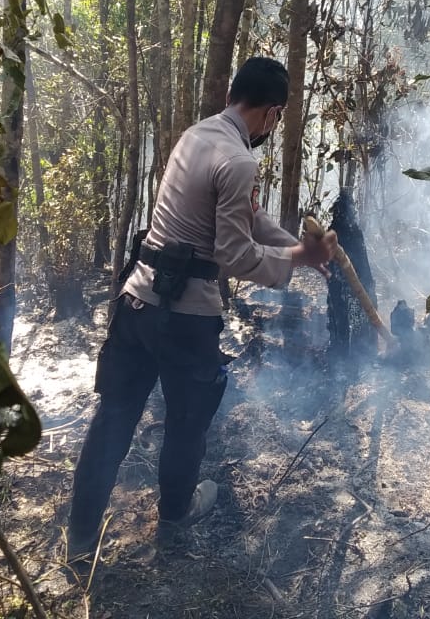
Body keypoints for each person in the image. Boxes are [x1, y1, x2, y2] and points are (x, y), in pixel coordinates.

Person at [64, 56, 336, 560]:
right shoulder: (239, 161)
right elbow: (235, 255)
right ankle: (175, 517)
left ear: (235, 94)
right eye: (277, 119)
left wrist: (299, 246)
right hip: (185, 318)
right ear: (272, 113)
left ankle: (79, 539)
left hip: (136, 300)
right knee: (187, 422)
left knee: (114, 417)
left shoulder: (197, 136)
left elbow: (249, 221)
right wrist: (300, 258)